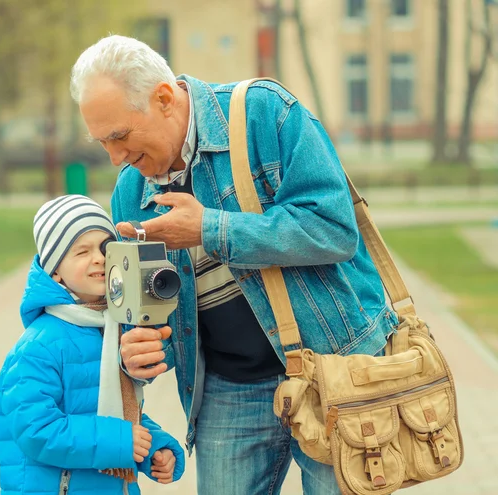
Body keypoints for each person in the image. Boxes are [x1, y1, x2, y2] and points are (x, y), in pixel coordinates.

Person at [70, 36, 399, 495]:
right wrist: (138, 350)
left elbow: (335, 229)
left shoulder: (265, 112)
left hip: (336, 370)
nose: (115, 157)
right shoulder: (130, 191)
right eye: (102, 142)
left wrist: (211, 230)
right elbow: (145, 312)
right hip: (227, 389)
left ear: (164, 99)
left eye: (120, 136)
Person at [0, 195, 185, 495]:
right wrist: (122, 441)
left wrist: (154, 449)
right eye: (81, 251)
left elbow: (117, 410)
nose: (98, 258)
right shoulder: (38, 346)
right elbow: (35, 431)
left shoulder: (110, 329)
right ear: (55, 270)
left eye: (105, 248)